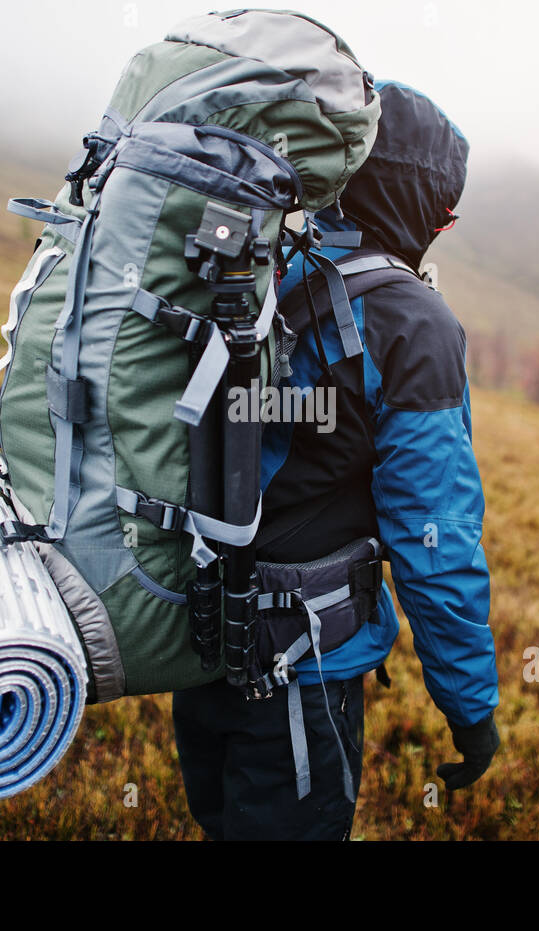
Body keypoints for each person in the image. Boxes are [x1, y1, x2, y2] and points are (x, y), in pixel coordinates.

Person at [171, 81, 499, 840]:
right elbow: (435, 542)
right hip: (300, 666)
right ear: (422, 205)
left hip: (202, 640)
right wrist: (471, 709)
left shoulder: (262, 265)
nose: (442, 229)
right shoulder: (413, 325)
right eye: (443, 213)